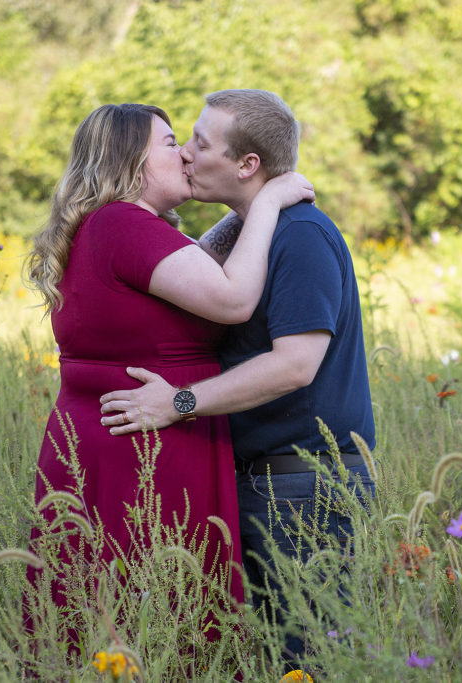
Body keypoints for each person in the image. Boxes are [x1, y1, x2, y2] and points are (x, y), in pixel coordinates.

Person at [98, 89, 376, 660]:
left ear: (248, 164)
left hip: (303, 489)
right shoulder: (259, 233)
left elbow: (295, 365)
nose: (186, 156)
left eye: (201, 144)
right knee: (264, 661)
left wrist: (178, 402)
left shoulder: (302, 236)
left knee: (306, 663)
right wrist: (255, 206)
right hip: (258, 484)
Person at [22, 102, 314, 643]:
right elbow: (231, 300)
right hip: (147, 447)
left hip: (120, 436)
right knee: (156, 614)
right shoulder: (123, 224)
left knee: (117, 613)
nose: (183, 153)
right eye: (169, 142)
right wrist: (270, 197)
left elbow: (199, 266)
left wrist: (243, 207)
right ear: (129, 162)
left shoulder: (113, 227)